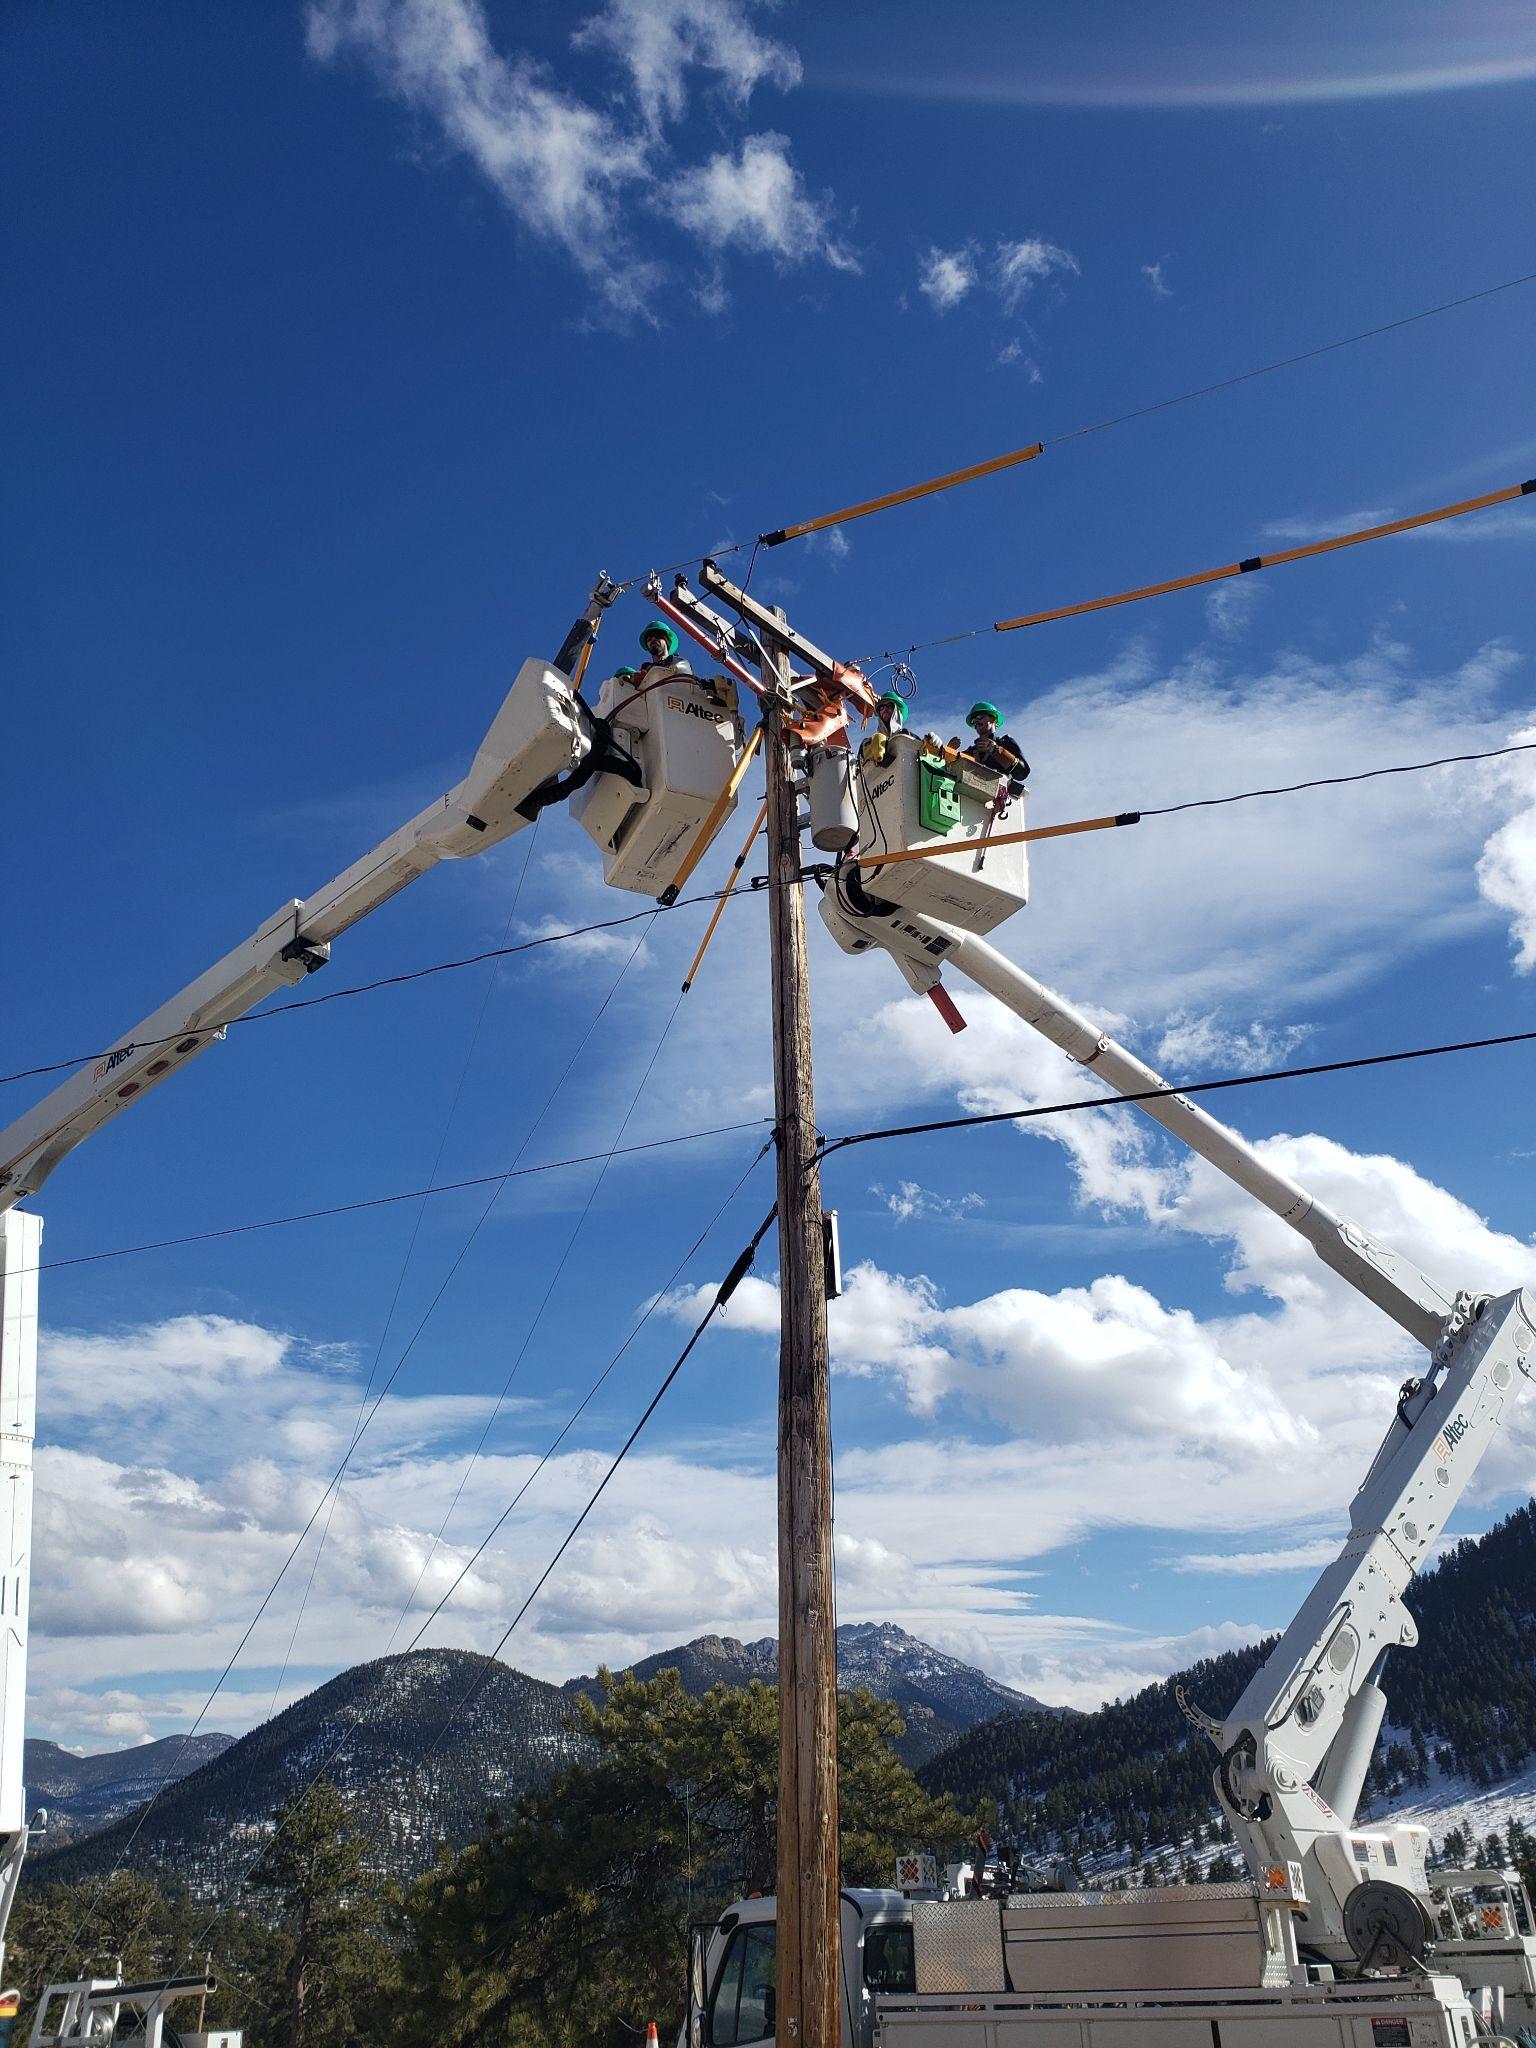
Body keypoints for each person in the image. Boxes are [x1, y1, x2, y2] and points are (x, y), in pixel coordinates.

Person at [949, 700, 1029, 795]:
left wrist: (997, 751)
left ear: (993, 719)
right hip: (973, 798)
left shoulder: (1006, 743)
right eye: (973, 720)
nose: (976, 721)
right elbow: (952, 771)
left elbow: (1022, 773)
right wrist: (949, 752)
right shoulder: (971, 752)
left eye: (979, 716)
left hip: (1000, 800)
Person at [859, 689, 908, 765]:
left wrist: (930, 744)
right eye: (881, 708)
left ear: (897, 712)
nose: (884, 709)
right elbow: (858, 770)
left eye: (889, 706)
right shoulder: (867, 744)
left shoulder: (907, 736)